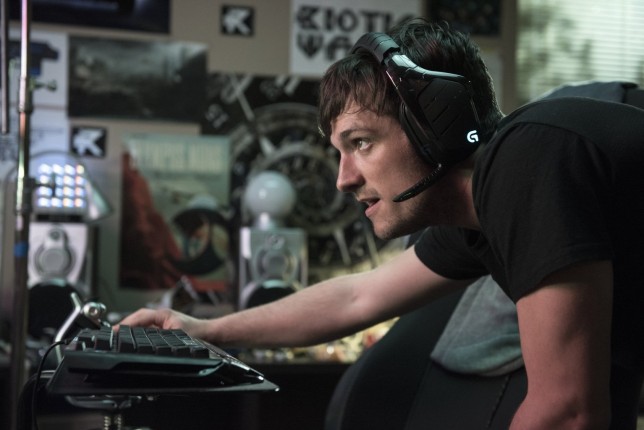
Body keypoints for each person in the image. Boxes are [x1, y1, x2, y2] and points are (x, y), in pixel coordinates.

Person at [119, 18, 644, 429]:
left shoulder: (528, 159)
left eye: (361, 143)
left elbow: (567, 413)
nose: (343, 180)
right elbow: (358, 297)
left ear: (438, 123)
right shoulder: (478, 218)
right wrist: (204, 331)